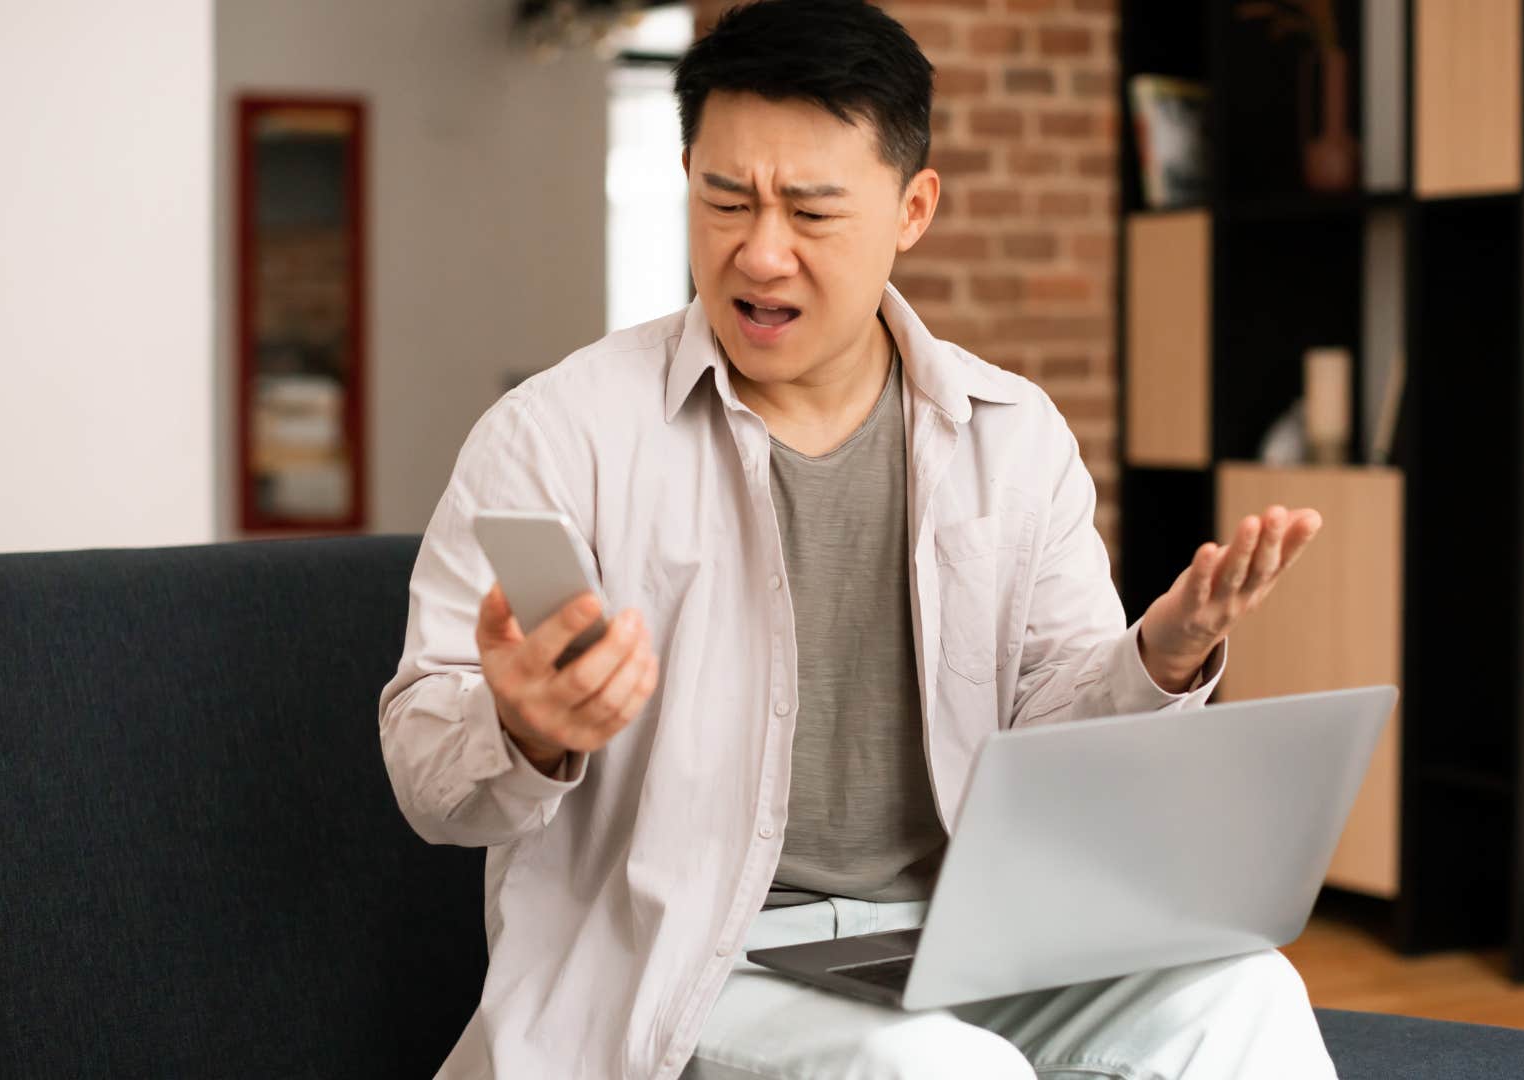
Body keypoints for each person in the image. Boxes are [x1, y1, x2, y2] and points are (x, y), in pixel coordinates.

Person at [378, 1, 1328, 1076]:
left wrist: (1158, 661)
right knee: (938, 1071)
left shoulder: (1010, 439)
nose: (760, 252)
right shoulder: (557, 436)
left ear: (912, 209)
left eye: (812, 212)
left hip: (955, 944)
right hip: (696, 971)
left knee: (1245, 994)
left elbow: (1053, 751)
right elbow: (426, 776)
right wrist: (524, 728)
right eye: (724, 198)